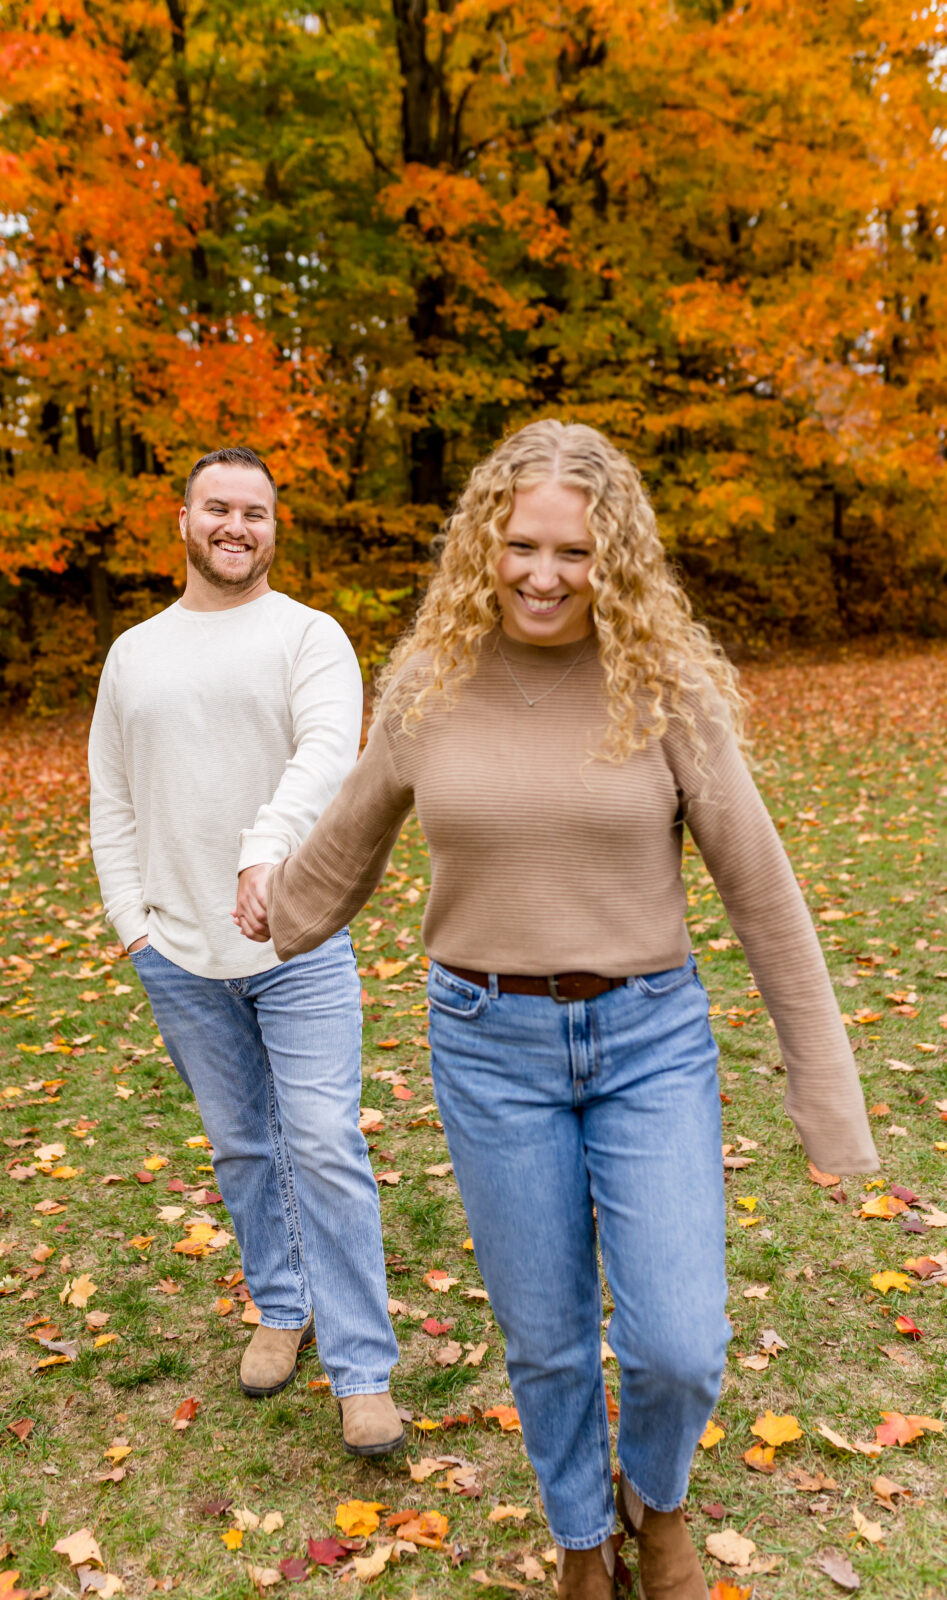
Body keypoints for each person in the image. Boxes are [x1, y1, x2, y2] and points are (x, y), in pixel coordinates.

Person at [234, 421, 878, 1597]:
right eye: (520, 545)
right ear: (486, 542)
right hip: (487, 1049)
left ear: (611, 558)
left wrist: (823, 1089)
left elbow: (760, 888)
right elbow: (350, 836)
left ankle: (655, 1498)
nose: (541, 573)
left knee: (678, 1343)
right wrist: (275, 909)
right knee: (545, 1342)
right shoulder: (430, 684)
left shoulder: (664, 686)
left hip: (647, 1039)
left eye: (572, 552)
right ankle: (582, 1536)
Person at [88, 445, 403, 1457]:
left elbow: (324, 755)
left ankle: (362, 1370)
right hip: (176, 949)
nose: (236, 526)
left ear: (275, 526)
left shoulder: (307, 637)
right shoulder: (135, 652)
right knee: (239, 1144)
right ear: (181, 518)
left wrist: (264, 851)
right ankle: (281, 1303)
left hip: (298, 939)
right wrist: (131, 924)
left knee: (322, 1142)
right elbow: (113, 796)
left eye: (255, 512)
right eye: (217, 508)